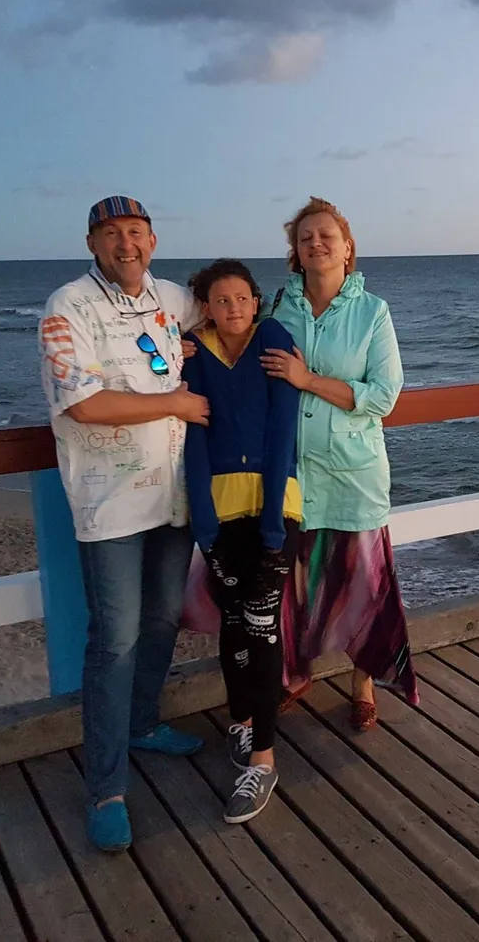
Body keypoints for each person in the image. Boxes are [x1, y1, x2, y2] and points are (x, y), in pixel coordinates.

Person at [38, 195, 210, 852]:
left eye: (135, 233)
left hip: (174, 497)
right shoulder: (67, 308)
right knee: (114, 639)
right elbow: (83, 403)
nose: (125, 244)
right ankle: (105, 787)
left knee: (165, 615)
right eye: (111, 235)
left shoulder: (170, 296)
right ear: (92, 243)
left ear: (153, 239)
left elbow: (231, 308)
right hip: (108, 505)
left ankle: (143, 722)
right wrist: (177, 400)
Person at [260, 196, 418, 730]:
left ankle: (363, 678)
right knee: (295, 583)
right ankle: (296, 674)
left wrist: (308, 381)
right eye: (305, 238)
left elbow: (385, 395)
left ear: (347, 249)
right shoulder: (277, 309)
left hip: (353, 473)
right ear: (295, 254)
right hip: (293, 473)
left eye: (327, 235)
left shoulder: (373, 312)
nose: (317, 243)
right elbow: (236, 349)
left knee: (363, 583)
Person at [181, 258, 300, 823]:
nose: (233, 308)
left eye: (242, 298)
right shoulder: (194, 352)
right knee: (233, 623)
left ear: (256, 301)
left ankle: (264, 760)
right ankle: (243, 720)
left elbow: (284, 429)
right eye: (220, 300)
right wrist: (204, 525)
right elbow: (194, 440)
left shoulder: (273, 339)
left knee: (261, 624)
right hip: (220, 512)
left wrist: (275, 520)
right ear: (206, 306)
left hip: (276, 508)